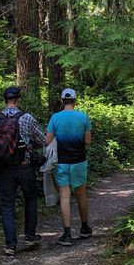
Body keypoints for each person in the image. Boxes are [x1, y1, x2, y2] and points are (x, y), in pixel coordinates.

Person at [0, 86, 46, 257]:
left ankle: (10, 244)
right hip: (24, 165)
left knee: (7, 205)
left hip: (3, 168)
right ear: (19, 99)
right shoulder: (27, 118)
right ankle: (30, 236)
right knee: (31, 198)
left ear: (4, 100)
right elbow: (42, 140)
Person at [45, 88, 92, 246]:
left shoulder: (55, 118)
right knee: (81, 194)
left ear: (62, 100)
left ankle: (66, 234)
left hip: (62, 161)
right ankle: (84, 228)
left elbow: (47, 140)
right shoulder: (83, 116)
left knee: (65, 197)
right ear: (75, 100)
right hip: (79, 160)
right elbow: (87, 141)